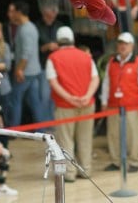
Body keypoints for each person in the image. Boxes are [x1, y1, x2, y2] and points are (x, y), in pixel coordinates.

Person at [46, 27, 99, 180]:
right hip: (87, 103)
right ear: (72, 40)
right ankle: (85, 170)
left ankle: (69, 173)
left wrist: (70, 98)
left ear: (58, 41)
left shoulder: (53, 58)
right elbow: (95, 78)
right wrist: (87, 96)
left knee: (65, 139)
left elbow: (53, 82)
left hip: (65, 105)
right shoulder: (86, 56)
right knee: (85, 138)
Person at [101, 32, 138, 173]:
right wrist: (104, 101)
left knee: (133, 134)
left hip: (132, 104)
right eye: (120, 43)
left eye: (126, 44)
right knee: (113, 134)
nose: (123, 46)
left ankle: (133, 161)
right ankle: (116, 161)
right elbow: (106, 83)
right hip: (114, 104)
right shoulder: (112, 61)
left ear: (132, 46)